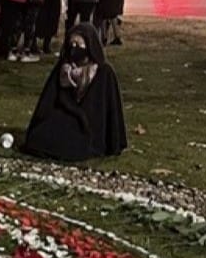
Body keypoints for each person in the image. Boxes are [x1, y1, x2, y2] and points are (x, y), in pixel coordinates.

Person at [20, 23, 127, 162]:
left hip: (88, 121)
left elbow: (105, 109)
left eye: (79, 44)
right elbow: (50, 98)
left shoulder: (103, 72)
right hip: (66, 114)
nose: (74, 48)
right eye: (72, 44)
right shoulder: (64, 68)